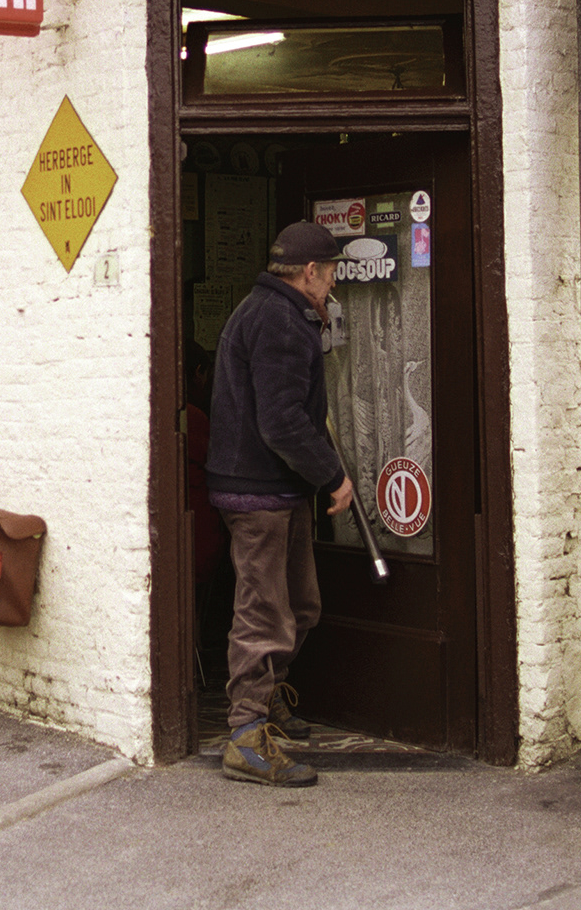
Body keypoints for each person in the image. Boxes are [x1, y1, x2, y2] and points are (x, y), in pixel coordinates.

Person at [205, 221, 355, 787]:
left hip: (273, 488)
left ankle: (267, 702)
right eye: (332, 273)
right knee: (264, 612)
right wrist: (333, 476)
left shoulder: (265, 309)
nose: (333, 286)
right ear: (311, 271)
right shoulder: (281, 320)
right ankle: (246, 736)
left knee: (300, 603)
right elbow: (283, 422)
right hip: (260, 492)